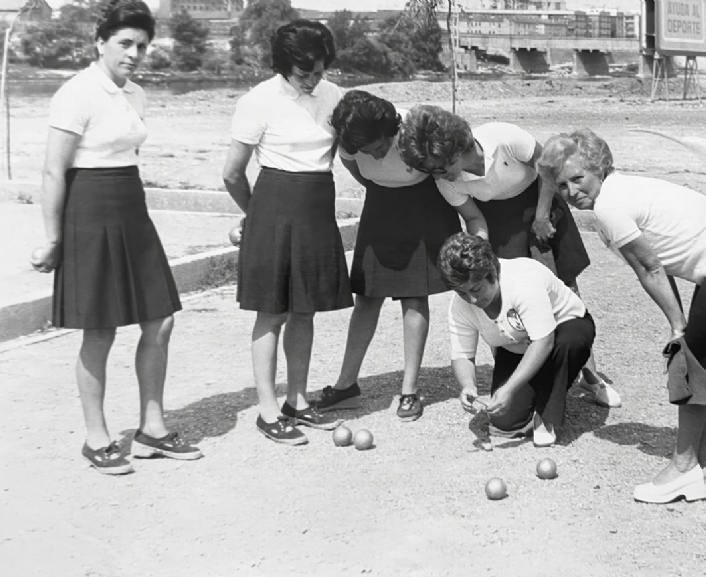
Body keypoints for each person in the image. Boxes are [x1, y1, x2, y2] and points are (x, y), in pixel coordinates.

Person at [537, 128, 706, 503]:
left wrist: (679, 328)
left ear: (600, 168)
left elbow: (649, 269)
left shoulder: (609, 207)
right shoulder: (616, 194)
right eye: (561, 186)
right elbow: (658, 264)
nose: (571, 191)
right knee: (704, 365)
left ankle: (681, 468)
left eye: (578, 178)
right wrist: (680, 324)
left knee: (688, 363)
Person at [30, 0, 201, 475]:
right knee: (99, 329)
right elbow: (52, 170)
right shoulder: (75, 93)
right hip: (88, 212)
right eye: (125, 43)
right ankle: (96, 437)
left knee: (160, 319)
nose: (134, 53)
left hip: (132, 208)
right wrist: (52, 238)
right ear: (100, 42)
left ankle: (152, 430)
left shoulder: (136, 94)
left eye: (142, 46)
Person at [398, 105, 620, 409]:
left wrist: (542, 216)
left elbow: (548, 169)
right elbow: (475, 219)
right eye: (434, 170)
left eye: (442, 165)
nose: (441, 174)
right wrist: (483, 254)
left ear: (455, 147)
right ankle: (521, 384)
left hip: (540, 204)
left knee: (565, 291)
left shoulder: (502, 136)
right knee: (503, 303)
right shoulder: (445, 181)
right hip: (499, 225)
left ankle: (590, 376)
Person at [222, 20, 350, 445]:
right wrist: (255, 215)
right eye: (304, 74)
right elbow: (233, 174)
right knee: (271, 311)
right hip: (273, 206)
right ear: (284, 67)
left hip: (317, 206)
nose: (313, 81)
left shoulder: (334, 97)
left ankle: (298, 399)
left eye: (319, 71)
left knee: (305, 308)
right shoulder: (258, 101)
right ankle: (268, 409)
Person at [312, 91, 462, 421]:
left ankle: (409, 391)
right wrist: (383, 183)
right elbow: (361, 173)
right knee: (366, 297)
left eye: (379, 148)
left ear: (392, 131)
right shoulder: (350, 143)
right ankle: (346, 385)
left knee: (413, 295)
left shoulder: (416, 130)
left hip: (424, 206)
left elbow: (452, 165)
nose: (375, 156)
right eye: (367, 151)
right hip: (382, 207)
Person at [437, 232, 596, 446]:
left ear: (492, 272)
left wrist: (509, 388)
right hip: (516, 345)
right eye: (462, 292)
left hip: (562, 331)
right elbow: (462, 354)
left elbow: (544, 341)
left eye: (476, 289)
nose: (472, 299)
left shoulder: (522, 280)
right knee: (505, 422)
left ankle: (546, 414)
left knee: (569, 342)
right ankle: (551, 380)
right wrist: (467, 385)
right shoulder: (460, 306)